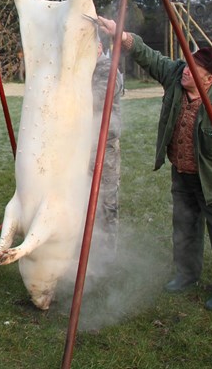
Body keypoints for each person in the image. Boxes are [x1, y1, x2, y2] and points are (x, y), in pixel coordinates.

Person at [97, 17, 212, 311]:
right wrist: (121, 35)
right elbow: (149, 56)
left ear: (208, 80)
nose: (185, 71)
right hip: (183, 175)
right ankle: (186, 275)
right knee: (185, 228)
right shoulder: (176, 77)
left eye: (192, 71)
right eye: (187, 65)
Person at [91, 38, 124, 262]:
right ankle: (85, 246)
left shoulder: (107, 70)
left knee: (106, 200)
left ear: (99, 47)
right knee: (82, 197)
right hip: (81, 145)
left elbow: (97, 100)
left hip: (105, 147)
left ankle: (106, 255)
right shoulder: (84, 68)